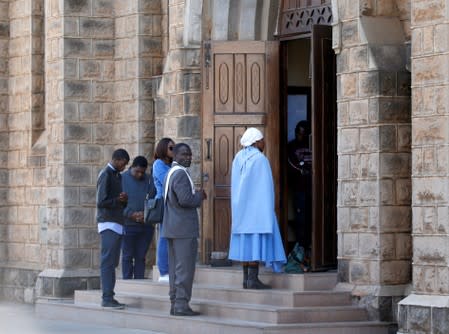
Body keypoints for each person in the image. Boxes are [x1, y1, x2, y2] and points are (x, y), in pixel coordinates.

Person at [229, 128, 287, 289]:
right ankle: (253, 280)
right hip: (256, 210)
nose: (264, 143)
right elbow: (266, 187)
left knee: (245, 242)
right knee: (254, 242)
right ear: (256, 142)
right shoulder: (260, 159)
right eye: (262, 140)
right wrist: (269, 208)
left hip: (240, 208)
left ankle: (246, 279)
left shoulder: (238, 158)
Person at [161, 143, 207, 316]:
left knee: (175, 269)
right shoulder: (180, 174)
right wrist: (200, 196)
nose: (188, 157)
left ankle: (175, 303)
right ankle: (181, 304)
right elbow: (186, 200)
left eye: (190, 154)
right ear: (175, 156)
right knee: (184, 269)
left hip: (172, 227)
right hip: (183, 230)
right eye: (184, 154)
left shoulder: (170, 173)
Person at [96, 148, 130, 309]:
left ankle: (110, 296)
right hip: (108, 223)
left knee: (112, 262)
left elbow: (115, 201)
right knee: (108, 261)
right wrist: (118, 199)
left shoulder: (117, 175)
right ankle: (107, 297)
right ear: (117, 159)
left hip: (117, 223)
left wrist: (123, 200)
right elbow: (101, 202)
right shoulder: (106, 174)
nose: (125, 167)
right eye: (124, 163)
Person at [121, 156, 155, 279]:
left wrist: (145, 214)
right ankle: (127, 283)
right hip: (128, 225)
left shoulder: (150, 180)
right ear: (132, 167)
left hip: (145, 225)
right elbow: (118, 203)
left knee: (141, 256)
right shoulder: (122, 178)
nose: (140, 175)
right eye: (137, 172)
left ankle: (139, 282)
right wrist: (131, 214)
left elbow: (154, 199)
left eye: (142, 172)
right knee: (127, 256)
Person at [152, 138, 175, 282]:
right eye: (171, 148)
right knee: (164, 237)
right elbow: (167, 181)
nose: (174, 151)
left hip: (174, 204)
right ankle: (163, 272)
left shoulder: (173, 164)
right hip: (164, 203)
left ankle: (171, 268)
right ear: (163, 149)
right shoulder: (158, 164)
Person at [287, 120, 312, 250]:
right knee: (301, 219)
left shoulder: (314, 144)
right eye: (298, 133)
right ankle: (300, 248)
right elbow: (291, 166)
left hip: (313, 188)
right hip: (299, 188)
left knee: (312, 218)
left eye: (303, 133)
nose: (300, 136)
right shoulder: (291, 146)